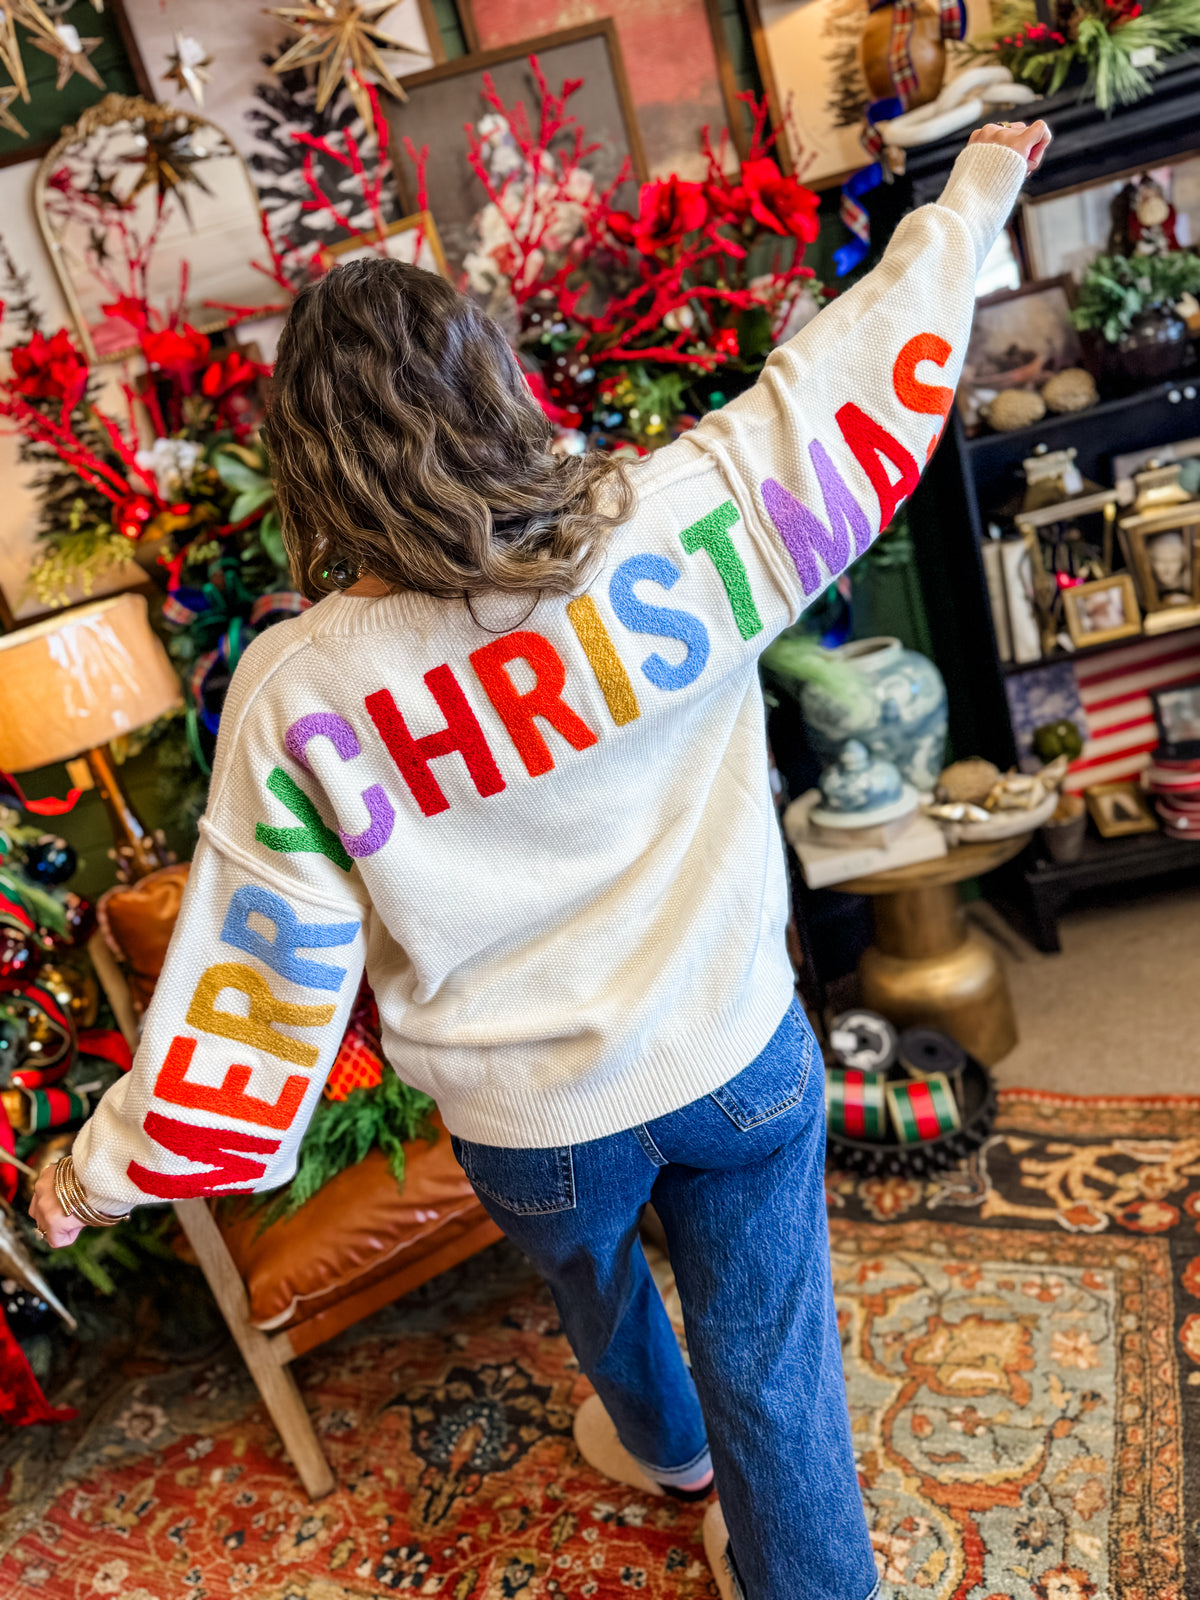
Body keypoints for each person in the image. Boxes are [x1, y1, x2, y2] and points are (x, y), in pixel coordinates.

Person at [32, 119, 1050, 1600]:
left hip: (534, 1125)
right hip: (733, 1049)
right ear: (494, 385)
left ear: (314, 466)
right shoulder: (679, 519)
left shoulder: (296, 691)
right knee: (779, 1358)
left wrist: (96, 1170)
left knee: (588, 1275)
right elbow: (844, 384)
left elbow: (253, 981)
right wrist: (973, 194)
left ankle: (668, 1447)